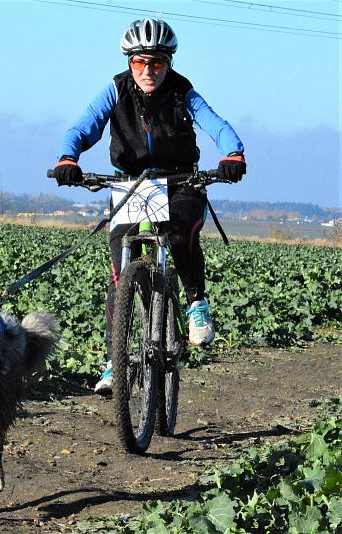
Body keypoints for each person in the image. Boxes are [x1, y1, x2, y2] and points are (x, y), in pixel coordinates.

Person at [52, 18, 246, 395]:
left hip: (180, 179)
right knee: (120, 269)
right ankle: (115, 361)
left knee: (179, 235)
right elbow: (83, 126)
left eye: (156, 63)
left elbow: (216, 125)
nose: (147, 71)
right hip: (131, 181)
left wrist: (233, 153)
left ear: (168, 63)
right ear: (129, 62)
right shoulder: (116, 89)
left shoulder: (182, 91)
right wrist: (67, 158)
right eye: (140, 63)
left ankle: (195, 302)